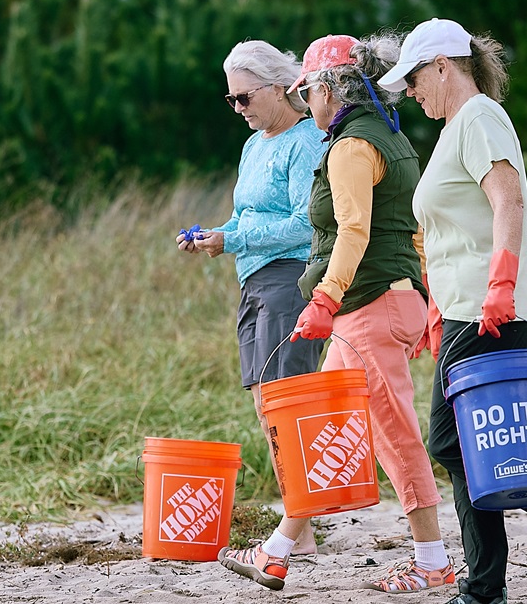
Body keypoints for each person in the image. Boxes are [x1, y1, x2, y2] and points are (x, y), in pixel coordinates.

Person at [377, 18, 527, 604]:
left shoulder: (480, 117)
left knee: (450, 441)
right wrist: (438, 311)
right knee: (463, 444)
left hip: (497, 308)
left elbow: (507, 199)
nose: (410, 92)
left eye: (413, 79)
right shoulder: (457, 127)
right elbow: (450, 231)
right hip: (466, 308)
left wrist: (501, 284)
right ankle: (496, 580)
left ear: (441, 66)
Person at [217, 33, 453, 594]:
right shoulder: (394, 139)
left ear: (330, 89)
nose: (309, 104)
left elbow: (354, 231)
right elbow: (411, 228)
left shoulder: (349, 147)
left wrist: (324, 299)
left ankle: (433, 560)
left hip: (366, 306)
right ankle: (278, 550)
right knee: (327, 435)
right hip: (388, 299)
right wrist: (419, 297)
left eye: (309, 91)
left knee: (394, 437)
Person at [176, 39, 325, 555]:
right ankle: (300, 525)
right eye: (231, 100)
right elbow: (244, 220)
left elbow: (305, 224)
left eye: (244, 98)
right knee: (266, 404)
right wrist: (213, 237)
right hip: (253, 280)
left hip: (290, 278)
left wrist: (233, 239)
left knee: (287, 402)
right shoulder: (253, 145)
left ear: (279, 88)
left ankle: (298, 526)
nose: (238, 109)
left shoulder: (306, 141)